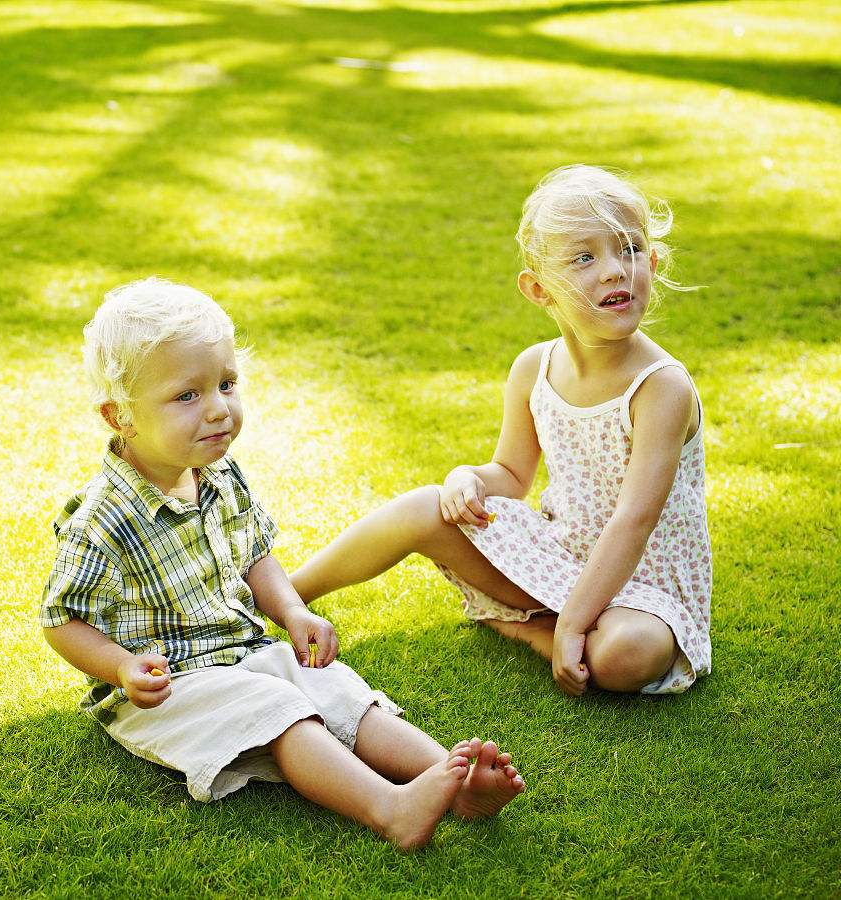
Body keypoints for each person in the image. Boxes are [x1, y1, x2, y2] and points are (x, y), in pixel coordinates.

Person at [41, 277, 525, 851]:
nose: (220, 408)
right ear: (119, 416)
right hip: (168, 688)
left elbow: (255, 557)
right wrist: (122, 668)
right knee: (282, 711)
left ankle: (454, 779)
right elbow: (60, 619)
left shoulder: (218, 475)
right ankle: (390, 808)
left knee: (334, 689)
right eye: (187, 395)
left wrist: (293, 612)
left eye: (226, 384)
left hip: (243, 655)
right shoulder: (102, 521)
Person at [291, 165, 711, 697]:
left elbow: (635, 519)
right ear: (539, 290)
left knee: (627, 654)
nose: (614, 271)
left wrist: (573, 624)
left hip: (645, 590)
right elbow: (512, 474)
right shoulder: (534, 368)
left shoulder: (661, 387)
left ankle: (533, 629)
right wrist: (467, 478)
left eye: (628, 250)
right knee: (426, 507)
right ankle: (283, 595)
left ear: (651, 262)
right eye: (584, 258)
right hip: (562, 556)